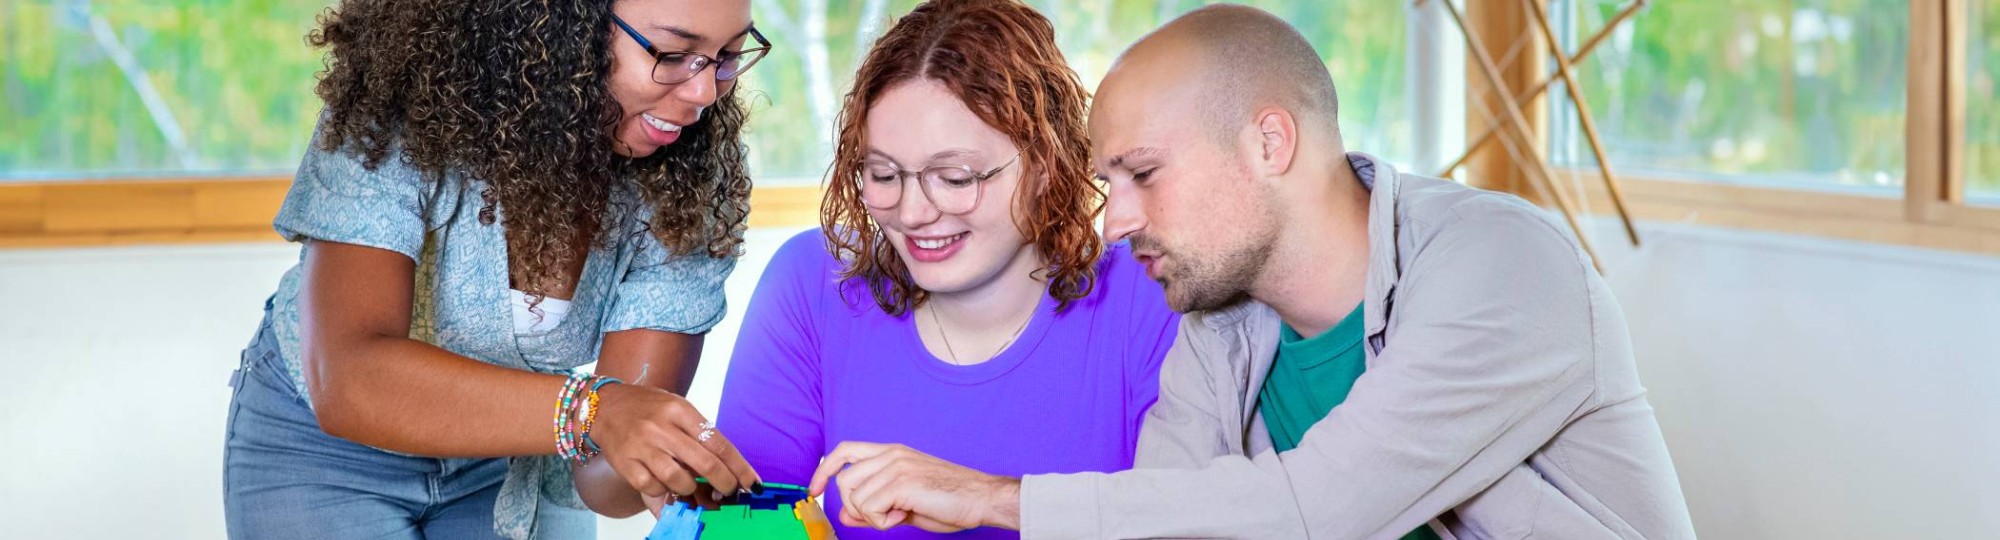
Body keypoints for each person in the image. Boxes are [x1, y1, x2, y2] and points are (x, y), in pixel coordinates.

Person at [807, 5, 1699, 539]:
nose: (1114, 223)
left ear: (1270, 143)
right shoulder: (1221, 323)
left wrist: (988, 498)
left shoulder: (1500, 262)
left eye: (1143, 175)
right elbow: (1158, 519)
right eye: (1107, 184)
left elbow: (1322, 511)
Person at [222, 0, 774, 537]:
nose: (704, 93)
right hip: (320, 453)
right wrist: (593, 412)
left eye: (728, 55)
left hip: (514, 463)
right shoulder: (399, 111)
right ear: (563, 24)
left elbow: (602, 480)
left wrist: (658, 458)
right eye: (674, 53)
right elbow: (348, 378)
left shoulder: (694, 182)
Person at [714, 0, 1178, 538]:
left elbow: (1201, 517)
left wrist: (986, 497)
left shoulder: (1152, 296)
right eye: (883, 174)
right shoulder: (812, 284)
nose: (912, 213)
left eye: (956, 178)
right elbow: (740, 522)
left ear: (1047, 165)